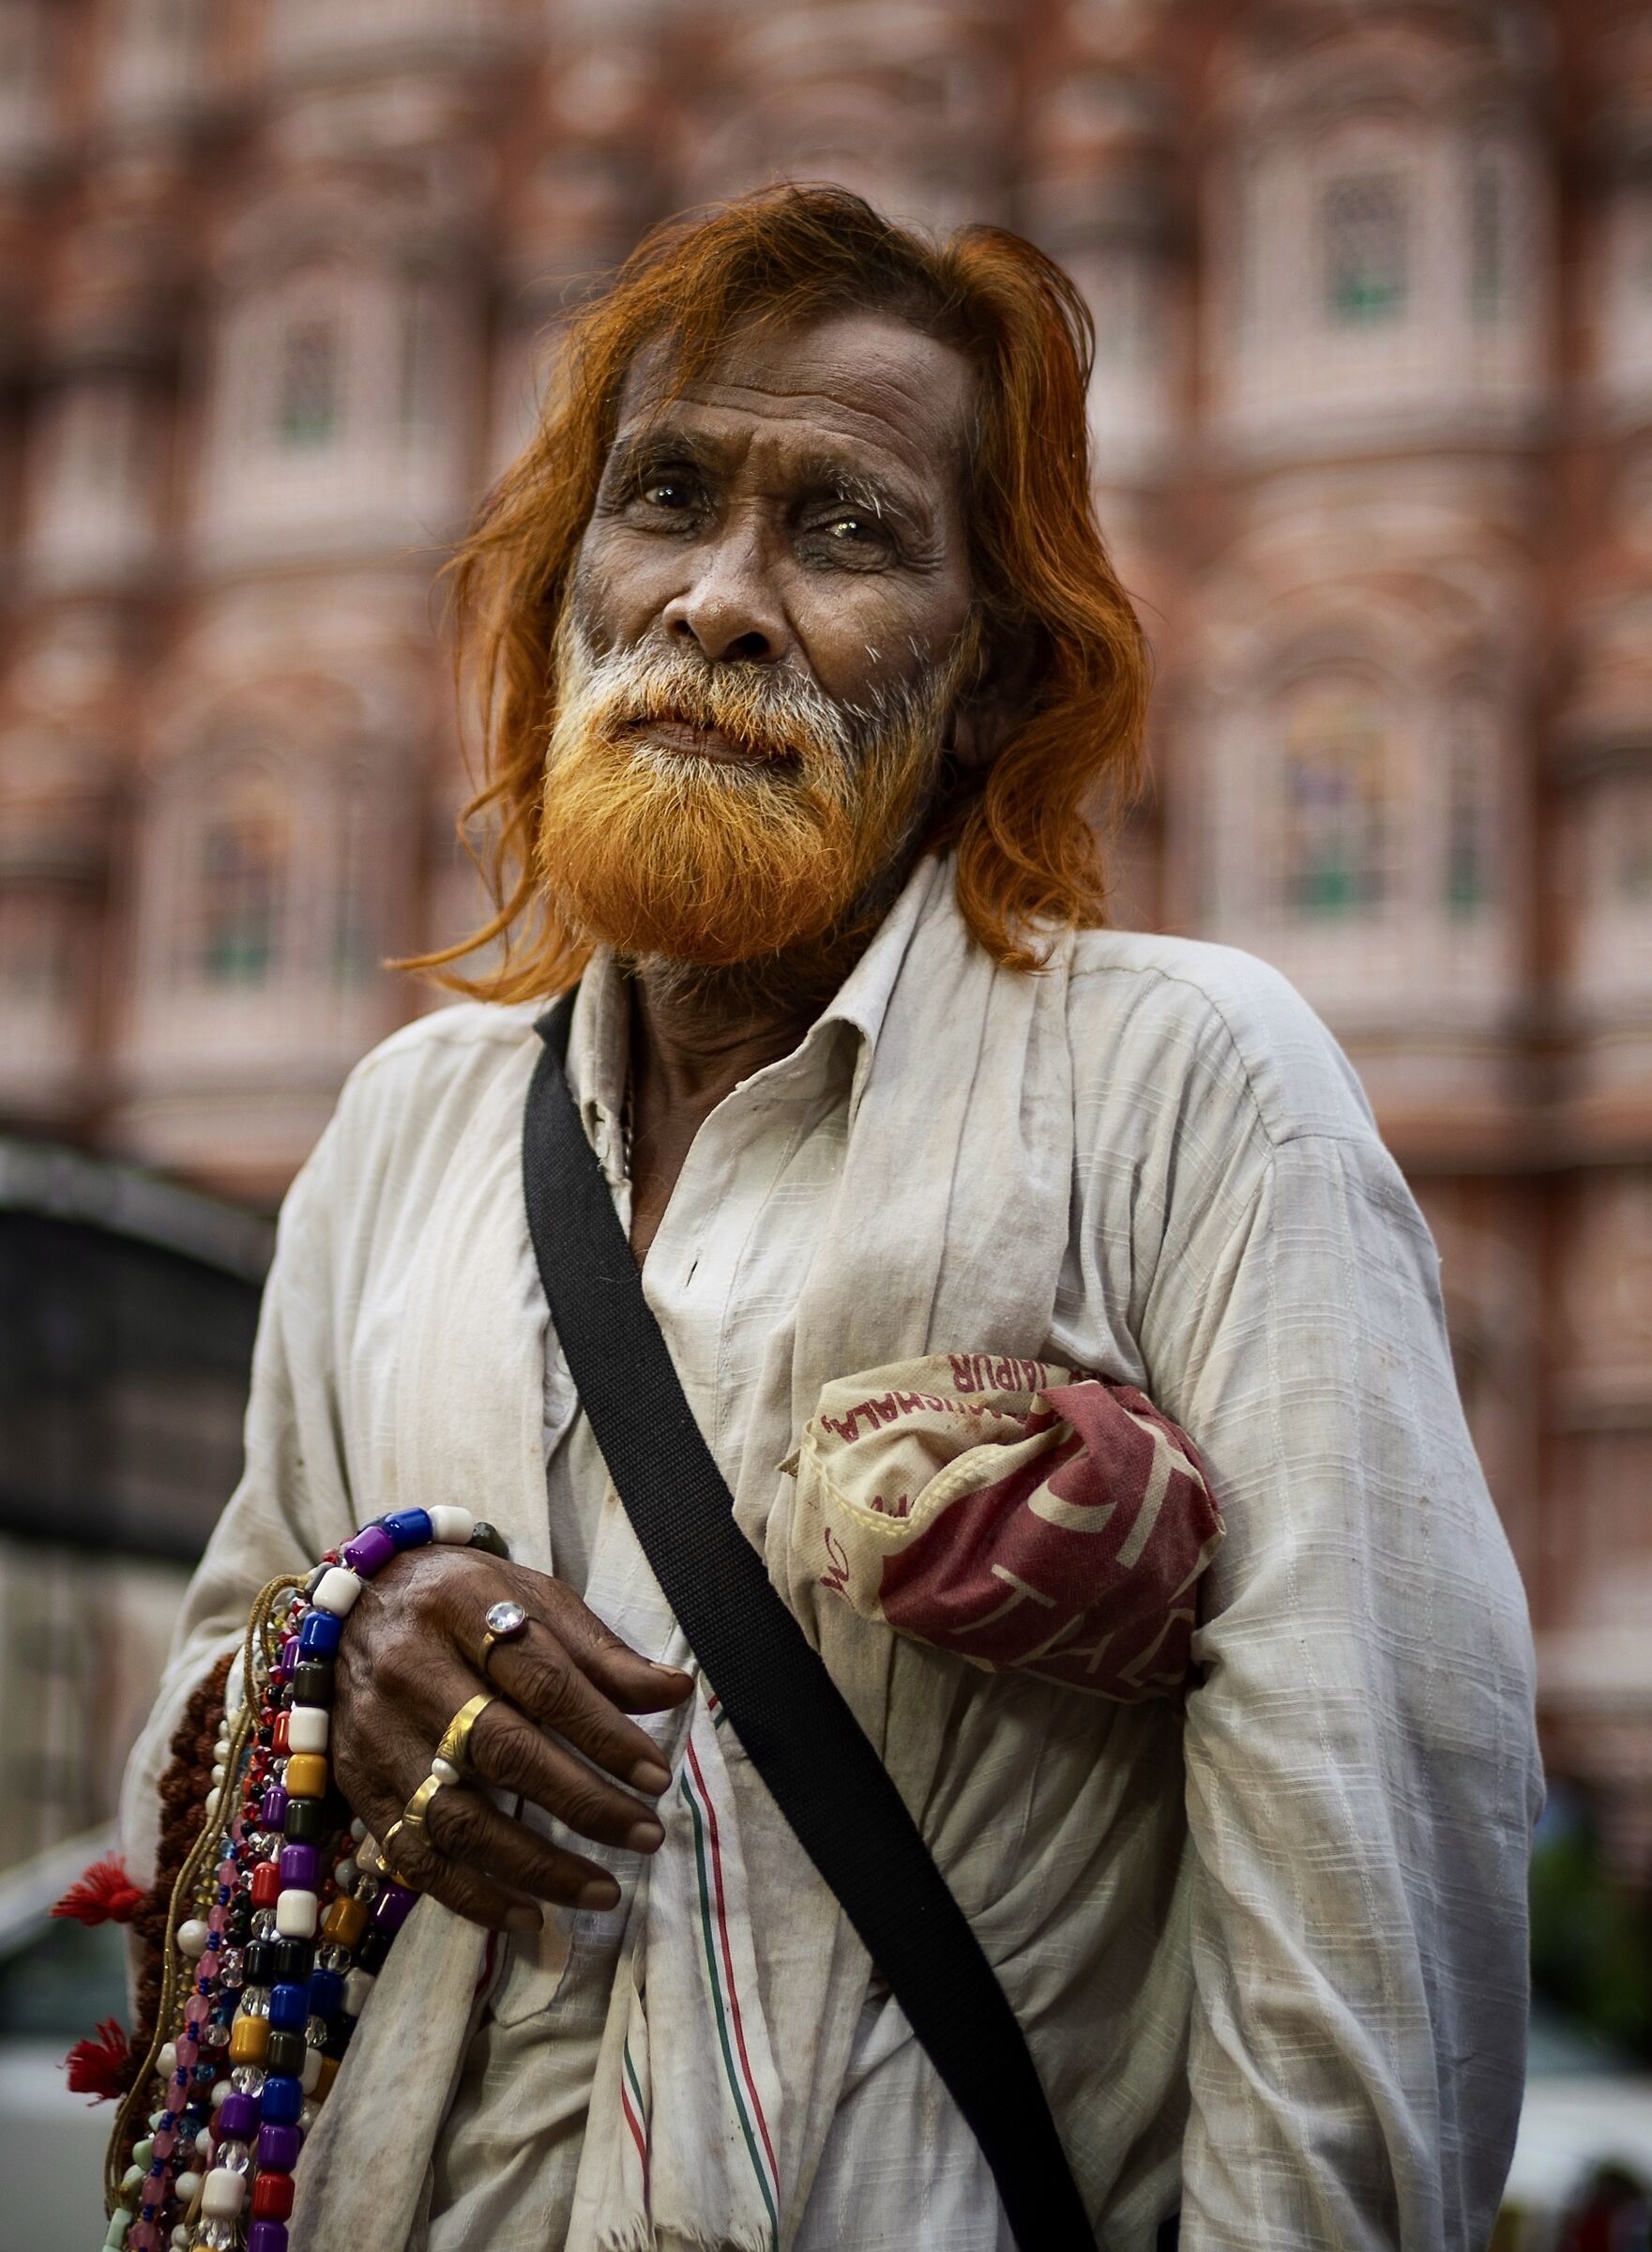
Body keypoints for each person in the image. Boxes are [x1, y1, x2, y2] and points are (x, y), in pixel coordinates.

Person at [121, 185, 1541, 2252]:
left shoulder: (1189, 1092)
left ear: (985, 679)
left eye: (846, 531)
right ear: (562, 597)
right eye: (666, 501)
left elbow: (1371, 1880)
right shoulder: (402, 1132)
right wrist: (354, 1650)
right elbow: (190, 1714)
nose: (718, 599)